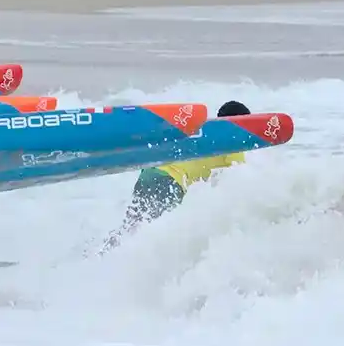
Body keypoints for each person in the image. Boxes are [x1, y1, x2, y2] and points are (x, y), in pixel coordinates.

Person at [102, 100, 252, 251]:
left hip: (149, 173)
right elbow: (237, 179)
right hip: (170, 182)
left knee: (131, 227)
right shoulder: (234, 142)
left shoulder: (199, 130)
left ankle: (98, 254)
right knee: (148, 233)